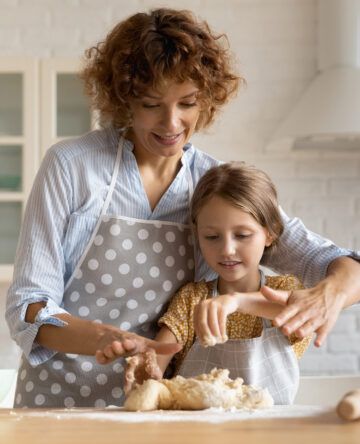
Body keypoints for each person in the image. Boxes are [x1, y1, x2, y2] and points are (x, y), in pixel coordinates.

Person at [5, 8, 360, 408]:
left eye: (187, 103)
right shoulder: (72, 167)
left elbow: (342, 264)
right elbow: (28, 306)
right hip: (59, 401)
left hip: (163, 408)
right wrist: (107, 338)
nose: (172, 123)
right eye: (151, 104)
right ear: (124, 99)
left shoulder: (214, 187)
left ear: (206, 99)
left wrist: (328, 294)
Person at [124, 162, 312, 404]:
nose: (227, 250)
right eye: (212, 237)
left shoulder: (286, 290)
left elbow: (300, 311)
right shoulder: (192, 300)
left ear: (270, 233)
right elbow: (158, 358)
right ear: (197, 233)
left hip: (270, 435)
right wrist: (146, 368)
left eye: (242, 235)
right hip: (198, 437)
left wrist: (236, 302)